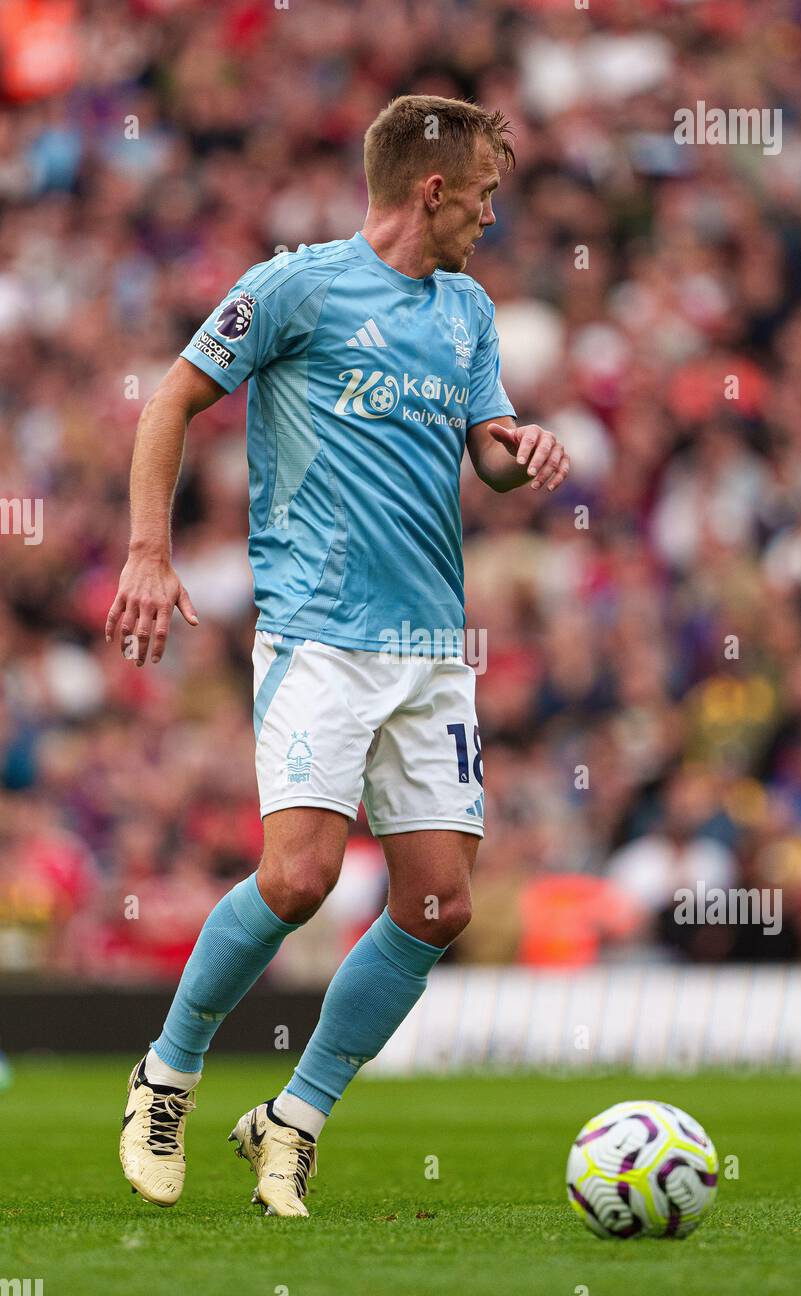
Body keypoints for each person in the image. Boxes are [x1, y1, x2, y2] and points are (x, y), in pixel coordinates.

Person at [109, 95, 570, 1217]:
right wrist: (147, 552)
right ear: (430, 187)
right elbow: (172, 397)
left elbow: (486, 460)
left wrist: (518, 450)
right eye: (484, 194)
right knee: (301, 878)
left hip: (431, 647)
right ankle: (167, 1073)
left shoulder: (466, 312)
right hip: (320, 633)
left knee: (437, 907)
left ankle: (293, 1117)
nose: (492, 217)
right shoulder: (294, 286)